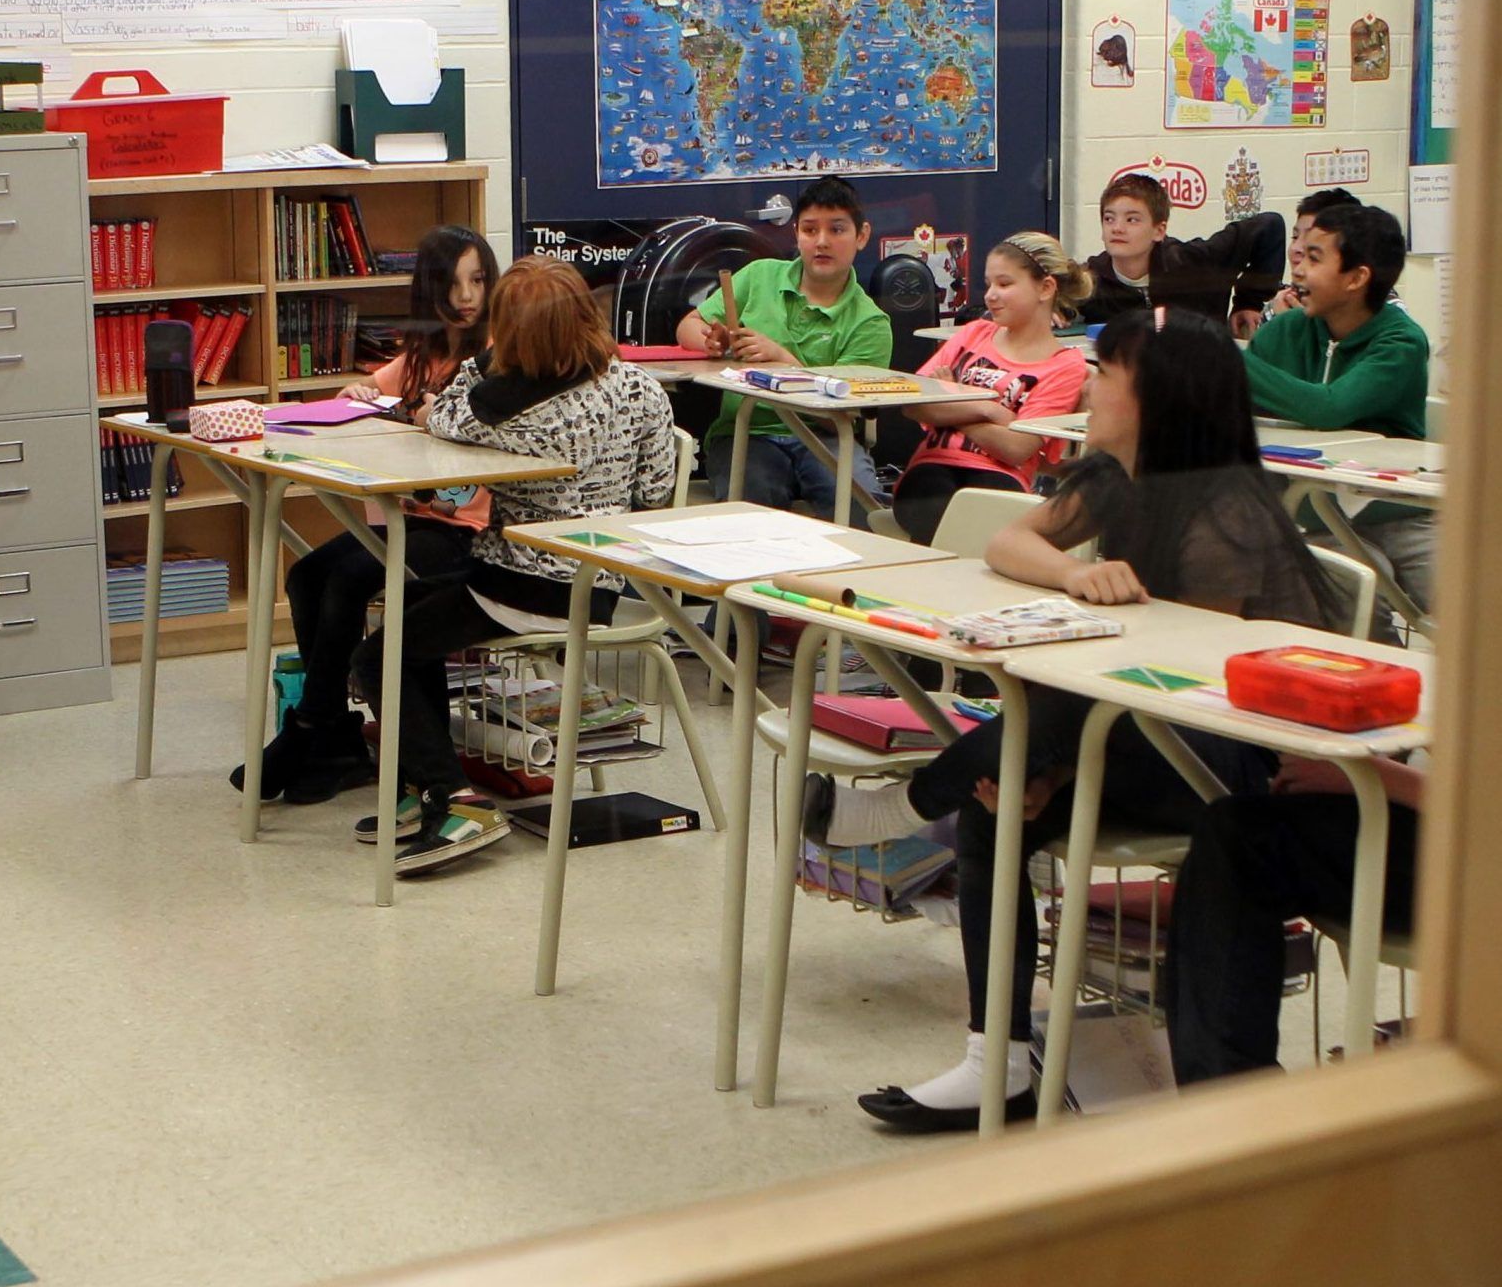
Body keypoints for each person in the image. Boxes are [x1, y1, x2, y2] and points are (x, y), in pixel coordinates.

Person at [800, 309, 1343, 1130]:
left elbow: (1179, 685)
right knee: (996, 800)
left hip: (1234, 763)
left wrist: (1061, 762)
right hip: (1131, 734)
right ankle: (998, 1064)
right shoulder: (1115, 474)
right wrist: (1070, 575)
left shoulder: (1227, 512)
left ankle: (903, 807)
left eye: (1108, 374)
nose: (1087, 384)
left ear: (1156, 399)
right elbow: (1010, 544)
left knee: (1047, 716)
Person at [349, 259, 678, 876]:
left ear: (510, 335)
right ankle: (427, 788)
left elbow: (442, 414)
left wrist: (483, 360)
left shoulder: (506, 408)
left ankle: (456, 801)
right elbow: (656, 491)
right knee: (411, 622)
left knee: (379, 655)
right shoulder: (640, 387)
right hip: (602, 579)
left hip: (524, 585)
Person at [239, 226, 498, 805]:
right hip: (404, 519)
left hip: (463, 532)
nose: (466, 296)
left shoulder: (495, 362)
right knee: (307, 574)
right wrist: (356, 394)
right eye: (452, 282)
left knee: (351, 578)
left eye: (477, 280)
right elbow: (358, 398)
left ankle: (313, 729)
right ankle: (330, 730)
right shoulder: (422, 357)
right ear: (428, 289)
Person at [1163, 756, 1423, 1085]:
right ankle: (1227, 1102)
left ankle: (1230, 1105)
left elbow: (1498, 808)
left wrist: (1375, 777)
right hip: (1421, 798)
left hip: (1475, 855)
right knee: (1236, 831)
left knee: (1239, 838)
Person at [1240, 202, 1438, 616]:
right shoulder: (1285, 332)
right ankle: (1379, 674)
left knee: (1482, 613)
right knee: (1353, 591)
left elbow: (1329, 408)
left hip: (1401, 515)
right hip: (1315, 519)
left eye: (1315, 258)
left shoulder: (1400, 342)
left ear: (1357, 278)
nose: (1298, 270)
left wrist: (1227, 356)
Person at [673, 176, 891, 521]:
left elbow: (846, 417)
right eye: (809, 230)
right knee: (752, 504)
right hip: (747, 433)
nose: (821, 242)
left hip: (827, 439)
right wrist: (711, 341)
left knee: (861, 508)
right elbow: (687, 326)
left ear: (861, 236)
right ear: (796, 234)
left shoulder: (870, 322)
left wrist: (785, 363)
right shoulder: (759, 275)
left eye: (837, 230)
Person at [889, 232, 1097, 545]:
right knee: (935, 504)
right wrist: (986, 408)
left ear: (1045, 288)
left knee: (978, 517)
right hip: (933, 465)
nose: (990, 295)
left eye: (1004, 284)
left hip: (1001, 477)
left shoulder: (1065, 365)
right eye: (988, 284)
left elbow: (1017, 448)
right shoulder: (973, 334)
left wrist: (951, 398)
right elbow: (913, 402)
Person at [1078, 172, 1285, 336]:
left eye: (1132, 220)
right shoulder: (1090, 281)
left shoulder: (1195, 261)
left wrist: (1249, 303)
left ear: (1159, 230)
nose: (1117, 228)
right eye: (1109, 219)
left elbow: (1270, 227)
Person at [1258, 185, 1360, 320]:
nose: (1296, 248)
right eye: (1295, 237)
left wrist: (1301, 324)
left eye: (1311, 240)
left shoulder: (1376, 306)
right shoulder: (1281, 303)